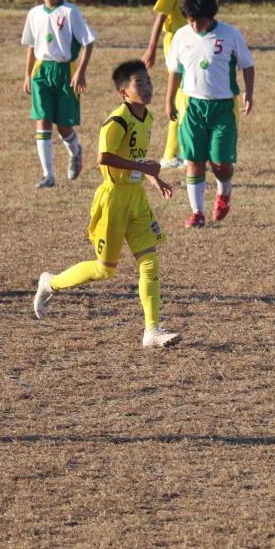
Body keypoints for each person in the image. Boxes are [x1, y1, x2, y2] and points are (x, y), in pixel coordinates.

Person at [32, 60, 181, 348]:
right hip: (113, 199)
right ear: (124, 92)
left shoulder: (147, 118)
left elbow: (137, 158)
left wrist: (154, 178)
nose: (147, 88)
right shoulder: (117, 121)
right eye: (139, 84)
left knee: (149, 261)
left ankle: (152, 330)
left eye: (149, 82)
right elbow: (104, 157)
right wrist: (144, 168)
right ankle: (50, 283)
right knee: (104, 270)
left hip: (136, 198)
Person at [165, 0, 255, 228]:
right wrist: (169, 100)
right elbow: (175, 70)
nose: (195, 25)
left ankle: (223, 193)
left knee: (220, 162)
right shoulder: (181, 36)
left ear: (211, 15)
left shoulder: (229, 34)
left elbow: (248, 65)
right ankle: (197, 213)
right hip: (192, 106)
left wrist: (249, 93)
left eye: (200, 20)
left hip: (223, 107)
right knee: (193, 159)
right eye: (190, 19)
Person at [142, 0, 223, 170]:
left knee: (189, 97)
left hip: (199, 46)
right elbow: (161, 16)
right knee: (183, 98)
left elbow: (211, 19)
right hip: (177, 45)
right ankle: (172, 155)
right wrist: (151, 48)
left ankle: (182, 152)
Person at [21, 0, 96, 187]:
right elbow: (31, 45)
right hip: (42, 72)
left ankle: (75, 152)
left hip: (65, 72)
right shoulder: (34, 14)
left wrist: (80, 72)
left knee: (64, 126)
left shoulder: (70, 12)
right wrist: (27, 74)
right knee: (42, 119)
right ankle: (48, 175)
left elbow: (88, 42)